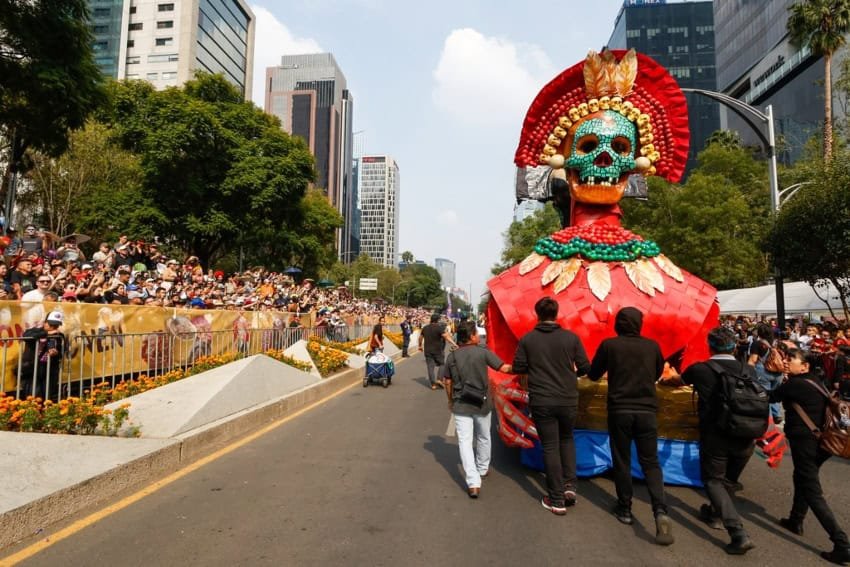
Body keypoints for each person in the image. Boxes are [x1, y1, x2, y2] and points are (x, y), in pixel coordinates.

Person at [588, 306, 673, 544]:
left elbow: (594, 374)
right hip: (647, 410)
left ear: (618, 324)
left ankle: (624, 508)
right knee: (651, 462)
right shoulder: (652, 346)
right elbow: (658, 373)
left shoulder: (609, 345)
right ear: (639, 324)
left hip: (620, 410)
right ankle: (660, 510)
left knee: (622, 459)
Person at [682, 326, 758, 555]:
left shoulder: (701, 369)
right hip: (747, 434)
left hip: (716, 434)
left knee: (714, 480)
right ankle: (715, 514)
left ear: (709, 346)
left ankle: (737, 532)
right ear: (735, 346)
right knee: (728, 480)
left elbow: (678, 381)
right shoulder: (750, 370)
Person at [770, 349, 850, 565]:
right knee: (801, 477)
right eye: (785, 358)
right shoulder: (815, 380)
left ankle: (842, 544)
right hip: (821, 443)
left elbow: (771, 396)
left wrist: (775, 373)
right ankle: (796, 520)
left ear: (804, 366)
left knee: (812, 490)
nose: (786, 362)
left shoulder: (795, 385)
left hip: (807, 443)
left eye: (790, 359)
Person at [511, 296, 590, 516]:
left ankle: (555, 499)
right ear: (556, 314)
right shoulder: (571, 338)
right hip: (568, 398)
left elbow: (519, 366)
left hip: (542, 399)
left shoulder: (528, 340)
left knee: (550, 446)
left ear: (538, 314)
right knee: (567, 440)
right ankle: (570, 487)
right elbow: (585, 368)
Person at [443, 321, 511, 498]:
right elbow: (504, 368)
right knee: (483, 436)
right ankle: (482, 468)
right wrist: (526, 366)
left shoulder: (452, 357)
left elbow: (447, 381)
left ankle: (473, 483)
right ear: (472, 336)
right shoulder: (483, 352)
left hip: (460, 403)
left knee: (465, 442)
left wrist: (450, 400)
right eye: (477, 334)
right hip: (482, 403)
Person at [19, 311, 66, 401]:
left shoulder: (59, 336)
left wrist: (55, 353)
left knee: (46, 396)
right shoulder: (36, 331)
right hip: (32, 369)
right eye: (51, 324)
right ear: (45, 323)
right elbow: (26, 335)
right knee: (33, 396)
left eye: (56, 325)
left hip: (49, 370)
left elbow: (60, 351)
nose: (53, 327)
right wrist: (46, 334)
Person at [749, 323, 784, 424]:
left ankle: (769, 419)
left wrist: (748, 371)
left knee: (765, 395)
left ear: (759, 332)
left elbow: (753, 360)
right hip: (778, 372)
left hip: (763, 372)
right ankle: (776, 414)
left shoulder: (757, 343)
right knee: (775, 392)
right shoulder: (777, 343)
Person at [419, 314, 458, 390]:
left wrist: (420, 346)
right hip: (437, 350)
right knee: (442, 364)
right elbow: (446, 337)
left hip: (427, 350)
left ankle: (433, 385)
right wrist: (454, 344)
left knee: (430, 367)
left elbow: (420, 338)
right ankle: (439, 379)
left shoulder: (425, 328)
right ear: (437, 320)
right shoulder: (439, 328)